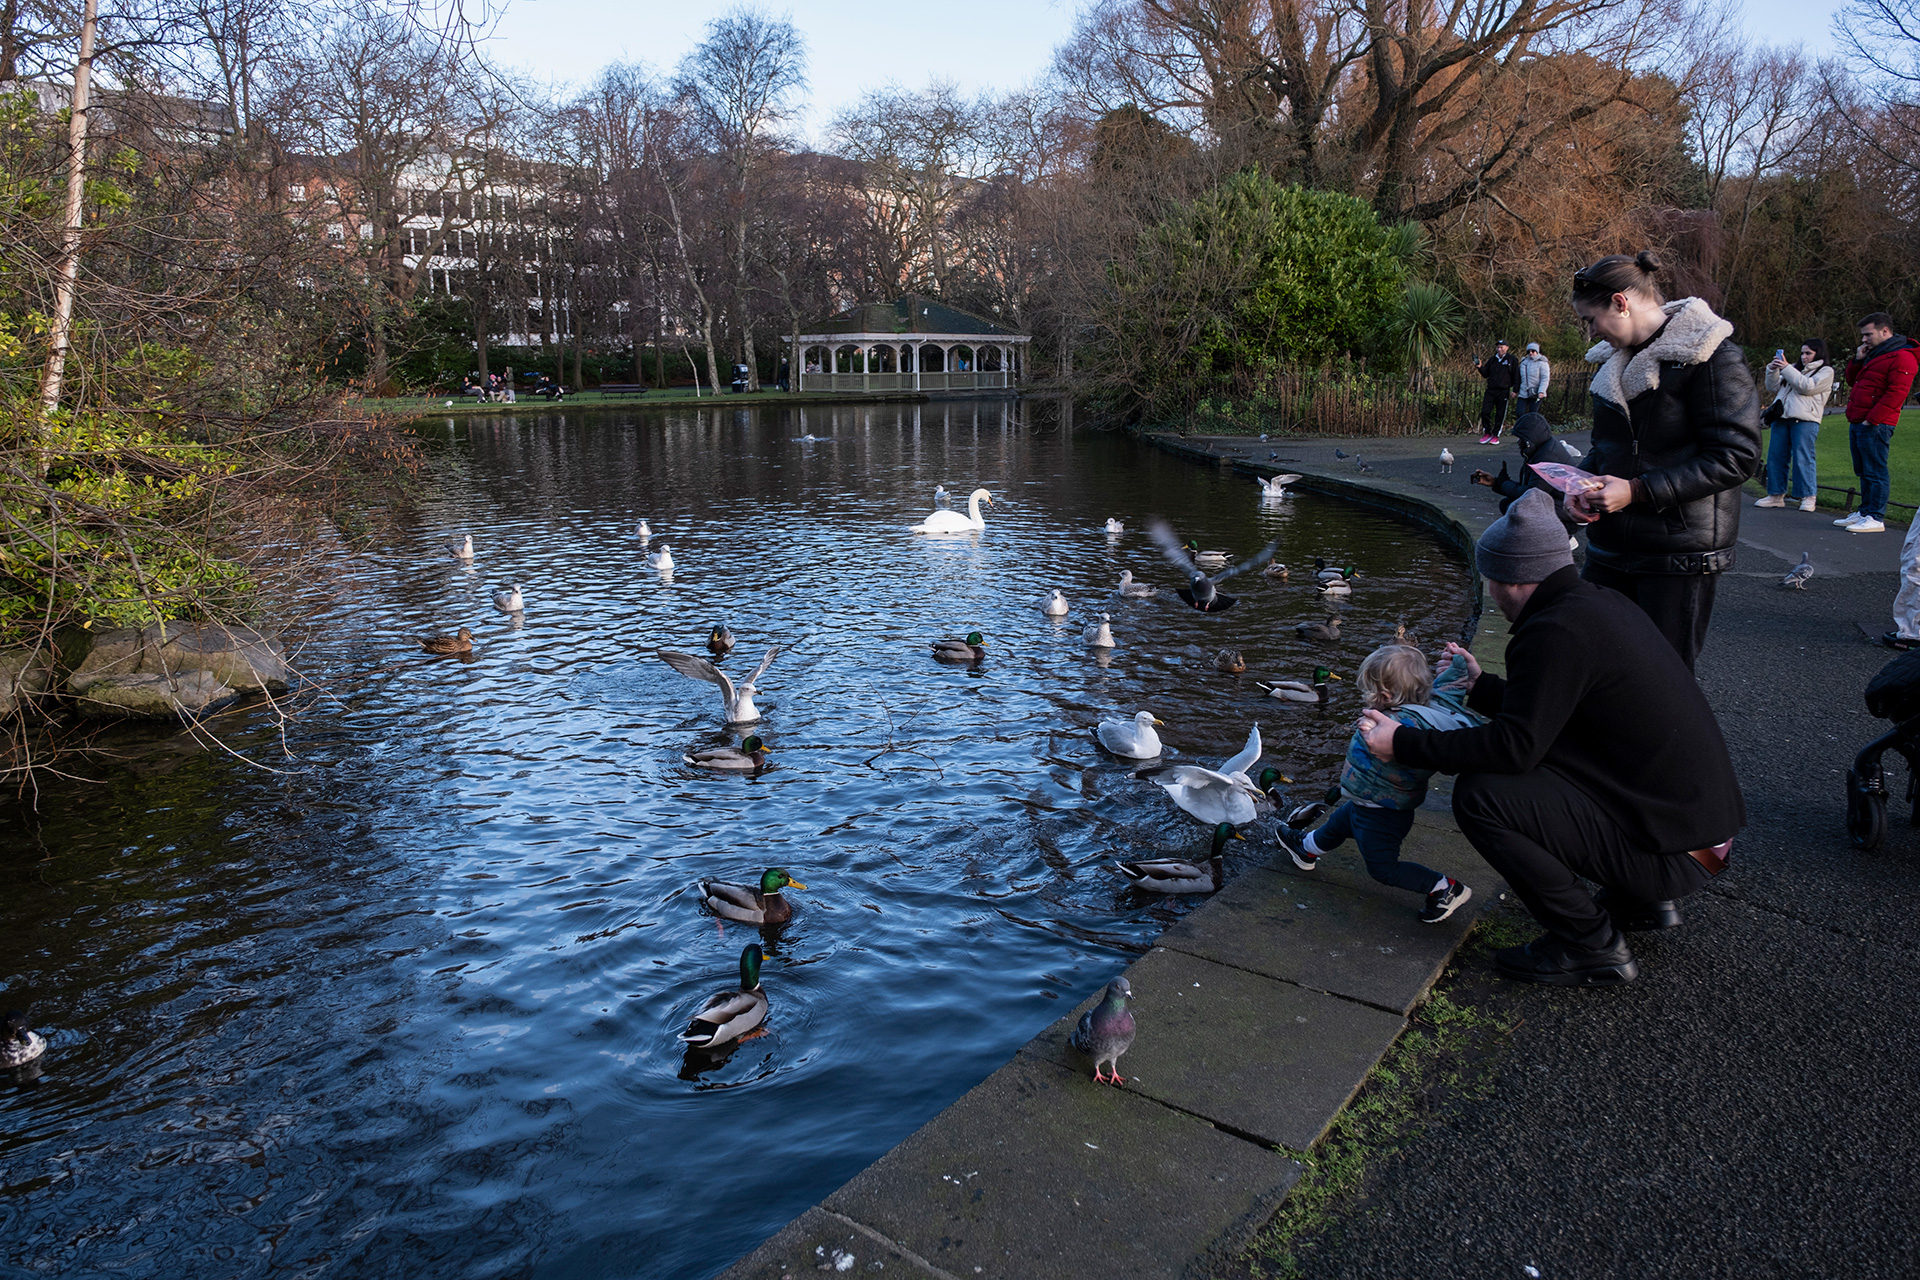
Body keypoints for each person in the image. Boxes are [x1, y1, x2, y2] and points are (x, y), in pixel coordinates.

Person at [1358, 489, 1745, 985]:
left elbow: (1513, 749)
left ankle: (1591, 944)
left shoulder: (1553, 632)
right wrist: (1483, 688)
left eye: (1490, 580)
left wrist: (1402, 743)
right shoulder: (1595, 606)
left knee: (1483, 796)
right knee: (1544, 767)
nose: (1490, 593)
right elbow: (1563, 710)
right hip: (1700, 836)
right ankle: (1642, 901)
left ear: (1512, 579)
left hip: (1675, 854)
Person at [1562, 249, 1761, 671]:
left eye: (1590, 320)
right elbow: (1608, 448)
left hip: (1679, 554)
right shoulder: (1614, 365)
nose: (1591, 333)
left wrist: (1636, 491)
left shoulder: (1713, 357)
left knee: (1662, 681)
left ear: (1620, 303)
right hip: (1612, 547)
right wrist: (1580, 484)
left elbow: (1736, 457)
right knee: (1592, 666)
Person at [1276, 644, 1483, 925]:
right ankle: (1307, 848)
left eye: (1368, 693)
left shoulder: (1397, 726)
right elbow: (1450, 689)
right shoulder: (1430, 710)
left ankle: (1443, 888)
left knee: (1383, 869)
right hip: (1373, 802)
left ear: (1384, 696)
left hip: (1384, 811)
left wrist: (1368, 731)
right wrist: (1457, 665)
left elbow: (1376, 753)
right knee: (1340, 821)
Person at [1835, 313, 1919, 534]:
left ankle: (1875, 516)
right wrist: (1857, 360)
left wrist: (1872, 420)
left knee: (1875, 470)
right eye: (1863, 335)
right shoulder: (1875, 354)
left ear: (1885, 331)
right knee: (1863, 470)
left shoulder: (1902, 357)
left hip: (1876, 423)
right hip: (1860, 420)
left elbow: (1897, 393)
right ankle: (1865, 512)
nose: (1864, 339)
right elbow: (1852, 381)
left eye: (1868, 334)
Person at [1471, 411, 1583, 537]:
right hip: (1562, 505)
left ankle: (1559, 538)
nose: (1519, 443)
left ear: (1530, 440)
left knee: (1518, 508)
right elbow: (1531, 490)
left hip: (1571, 513)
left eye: (1521, 439)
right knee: (1509, 504)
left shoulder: (1548, 457)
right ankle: (1545, 538)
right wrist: (1496, 482)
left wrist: (1502, 483)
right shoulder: (1540, 450)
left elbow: (1532, 495)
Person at [1756, 339, 1835, 513]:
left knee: (1803, 457)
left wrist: (1786, 368)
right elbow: (1773, 387)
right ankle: (1776, 495)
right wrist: (1772, 369)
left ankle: (1808, 496)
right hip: (1782, 417)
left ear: (1818, 353)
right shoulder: (1793, 368)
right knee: (1776, 456)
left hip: (1805, 419)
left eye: (1808, 353)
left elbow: (1806, 387)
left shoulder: (1826, 371)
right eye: (1802, 353)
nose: (1804, 357)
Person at [1474, 340, 1520, 444]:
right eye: (1498, 347)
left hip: (1503, 391)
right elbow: (1486, 374)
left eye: (1501, 347)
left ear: (1507, 348)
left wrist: (1515, 390)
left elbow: (1516, 375)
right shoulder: (1492, 360)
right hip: (1491, 390)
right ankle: (1487, 433)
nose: (1499, 349)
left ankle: (1495, 435)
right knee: (1485, 412)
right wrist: (1480, 367)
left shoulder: (1512, 360)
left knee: (1500, 414)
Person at [1517, 341, 1551, 419]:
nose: (1530, 353)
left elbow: (1545, 378)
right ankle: (1523, 425)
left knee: (1533, 413)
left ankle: (1532, 426)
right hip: (1523, 392)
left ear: (1537, 351)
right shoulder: (1523, 363)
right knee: (1519, 412)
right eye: (1528, 351)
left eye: (1533, 351)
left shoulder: (1542, 363)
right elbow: (1518, 377)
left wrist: (1541, 391)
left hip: (1536, 392)